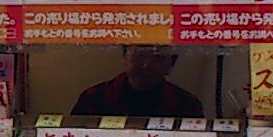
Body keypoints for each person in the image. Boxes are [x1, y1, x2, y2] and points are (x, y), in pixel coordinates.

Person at [70, 45, 204, 119]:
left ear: (172, 63)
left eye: (158, 57)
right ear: (125, 56)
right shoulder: (93, 98)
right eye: (139, 54)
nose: (146, 65)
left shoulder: (187, 105)